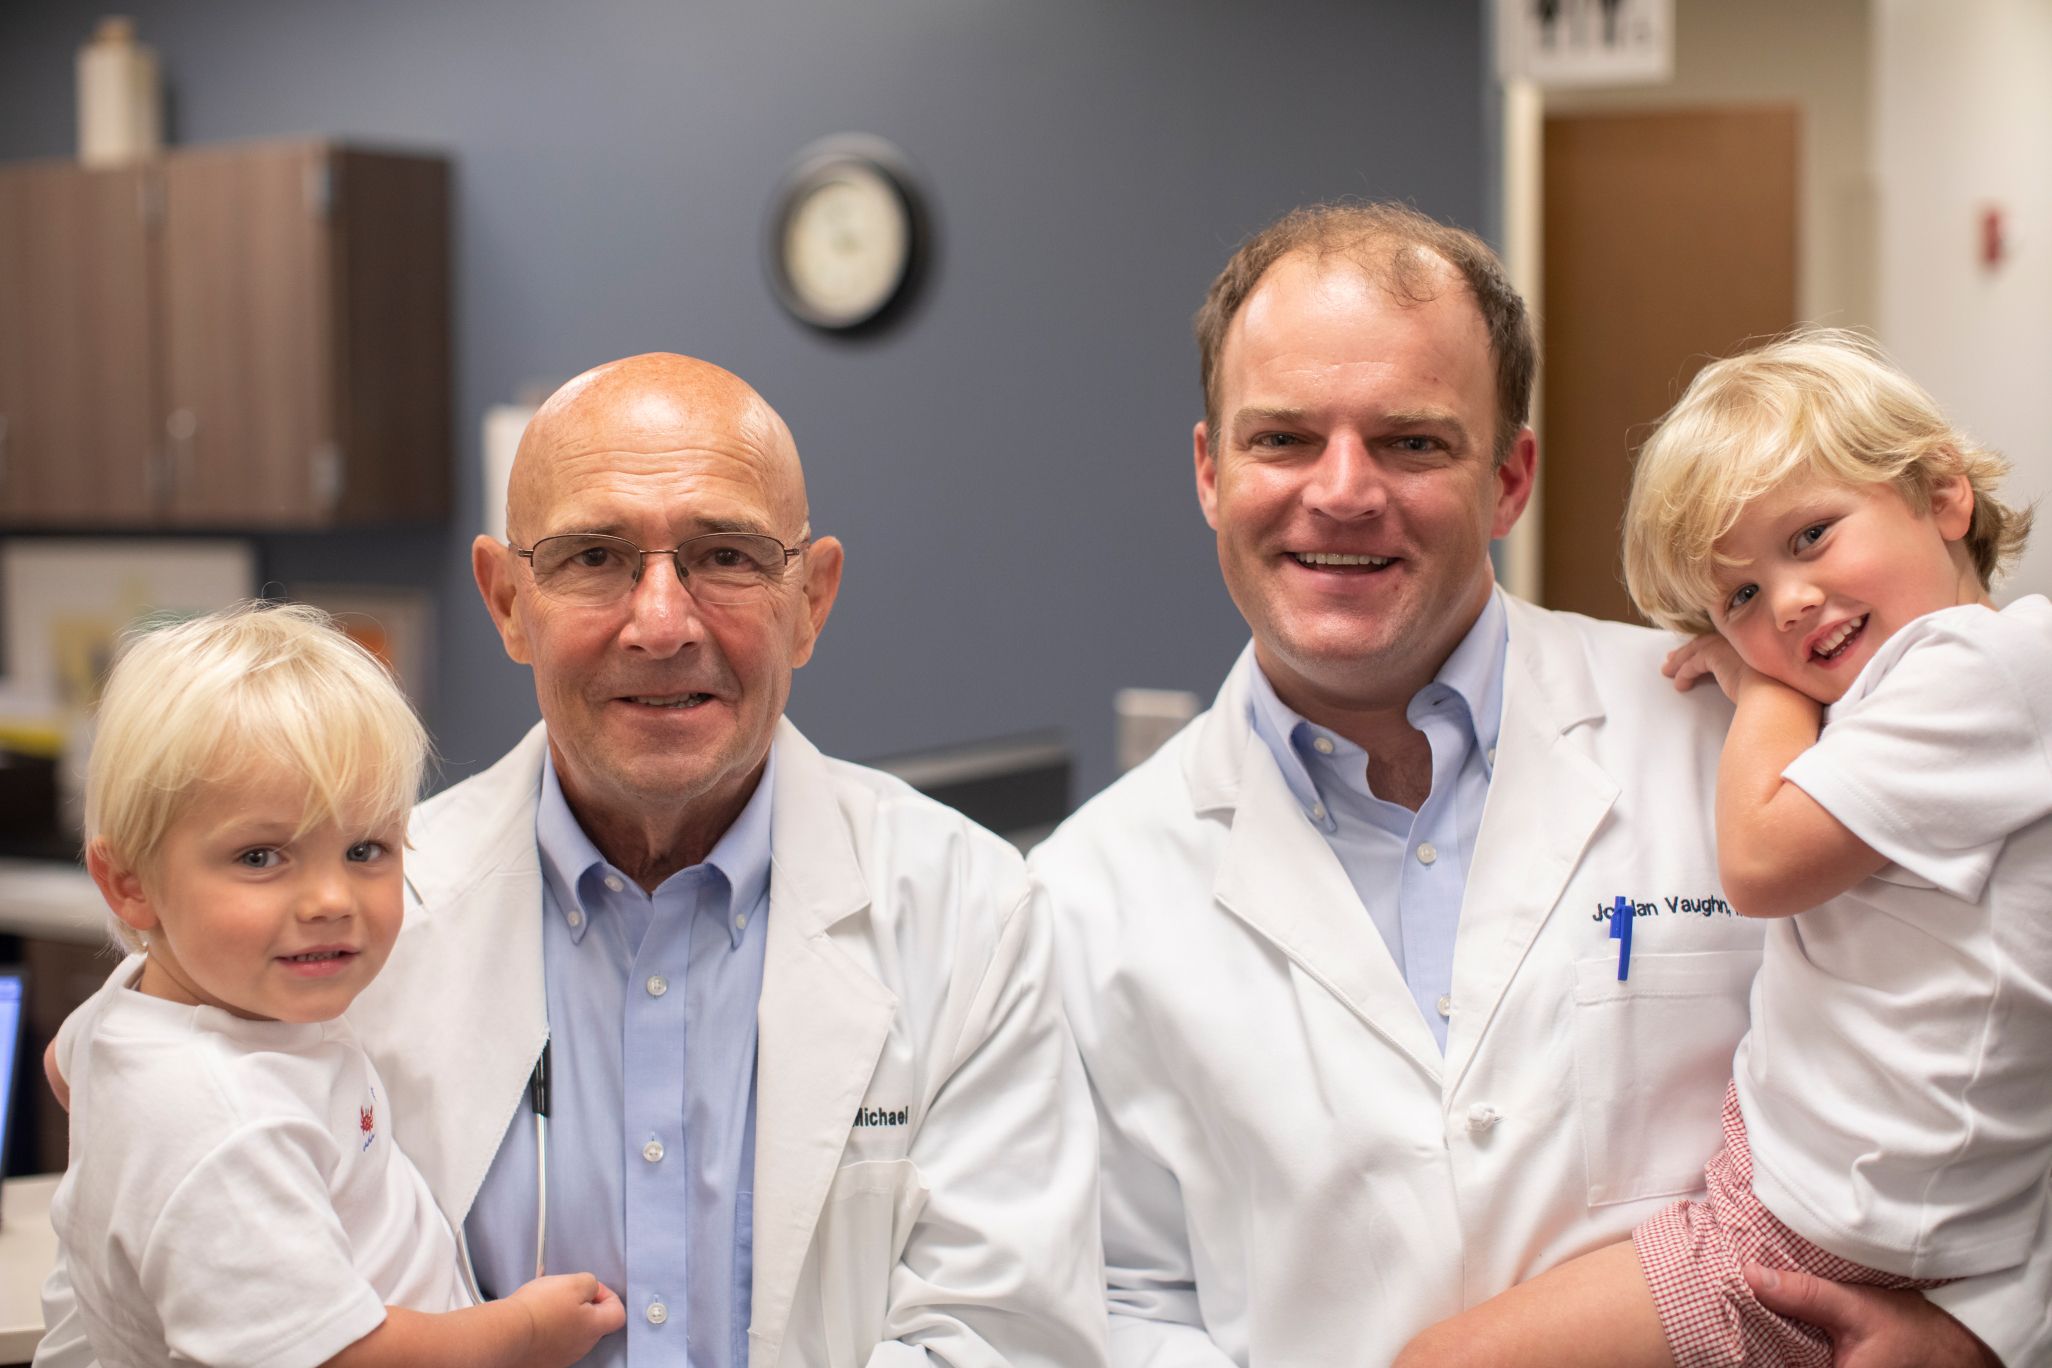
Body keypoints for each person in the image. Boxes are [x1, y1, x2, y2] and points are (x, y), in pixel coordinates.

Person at [1025, 203, 2044, 1365]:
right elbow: (1120, 1296)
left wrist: (1985, 1334)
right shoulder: (1085, 893)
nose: (1343, 490)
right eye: (1285, 439)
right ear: (1213, 473)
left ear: (1510, 479)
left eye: (1414, 442)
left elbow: (2004, 1028)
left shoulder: (1762, 730)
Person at [37, 354, 1109, 1368]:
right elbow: (124, 1295)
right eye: (594, 557)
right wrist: (112, 1046)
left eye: (726, 556)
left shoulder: (974, 916)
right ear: (508, 600)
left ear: (811, 602)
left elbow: (1005, 1337)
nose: (661, 623)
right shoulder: (349, 921)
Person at [1396, 330, 2052, 1367]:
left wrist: (1765, 689)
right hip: (1815, 1200)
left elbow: (1760, 864)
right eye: (1739, 597)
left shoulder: (1982, 668)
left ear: (1943, 496)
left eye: (1812, 536)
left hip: (1815, 1242)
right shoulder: (1910, 696)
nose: (1788, 603)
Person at [49, 602, 623, 1367]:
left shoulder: (143, 1005)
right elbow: (342, 1359)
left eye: (365, 850)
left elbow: (65, 1064)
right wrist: (523, 1334)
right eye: (261, 857)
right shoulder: (227, 1130)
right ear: (129, 885)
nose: (331, 900)